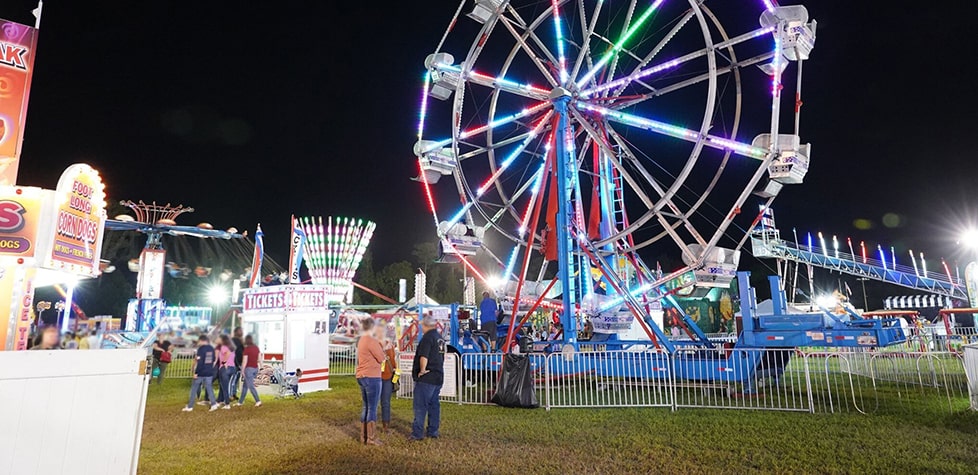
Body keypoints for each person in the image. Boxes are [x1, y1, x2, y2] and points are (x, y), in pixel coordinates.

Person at [411, 316, 443, 441]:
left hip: (427, 377)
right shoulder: (439, 338)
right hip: (438, 375)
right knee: (434, 405)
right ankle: (433, 431)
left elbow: (424, 356)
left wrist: (422, 370)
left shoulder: (427, 338)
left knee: (420, 406)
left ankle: (417, 433)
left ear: (425, 325)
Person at [355, 318, 386, 445]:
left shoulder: (361, 340)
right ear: (372, 327)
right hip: (372, 376)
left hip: (362, 375)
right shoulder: (372, 341)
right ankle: (371, 438)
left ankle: (364, 436)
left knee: (365, 406)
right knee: (372, 408)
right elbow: (381, 358)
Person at [184, 335, 218, 412]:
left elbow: (200, 362)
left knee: (194, 388)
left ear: (202, 340)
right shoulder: (211, 348)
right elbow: (213, 359)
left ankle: (190, 406)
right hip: (209, 371)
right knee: (209, 388)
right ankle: (213, 404)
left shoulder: (201, 349)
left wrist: (196, 372)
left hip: (201, 372)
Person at [376, 322, 397, 433]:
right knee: (385, 402)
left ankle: (370, 426)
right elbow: (393, 362)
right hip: (387, 376)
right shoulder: (390, 345)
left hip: (375, 376)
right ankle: (385, 426)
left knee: (372, 402)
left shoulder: (373, 344)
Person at [235, 334, 262, 407]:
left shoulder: (247, 349)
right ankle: (240, 402)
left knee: (250, 386)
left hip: (248, 369)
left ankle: (258, 400)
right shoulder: (256, 348)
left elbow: (244, 361)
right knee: (245, 386)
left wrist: (242, 371)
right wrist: (261, 367)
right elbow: (259, 359)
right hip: (255, 368)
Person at [215, 335, 236, 409]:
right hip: (232, 368)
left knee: (224, 387)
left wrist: (224, 362)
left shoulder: (224, 347)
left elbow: (227, 353)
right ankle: (219, 401)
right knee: (222, 386)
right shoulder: (231, 347)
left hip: (225, 368)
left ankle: (227, 404)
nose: (217, 339)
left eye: (219, 338)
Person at [230, 327, 244, 401]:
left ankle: (234, 393)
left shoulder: (240, 341)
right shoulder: (234, 340)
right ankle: (230, 395)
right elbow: (234, 352)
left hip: (240, 363)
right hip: (235, 363)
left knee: (236, 380)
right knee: (233, 380)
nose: (242, 332)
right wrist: (237, 363)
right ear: (236, 332)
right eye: (240, 331)